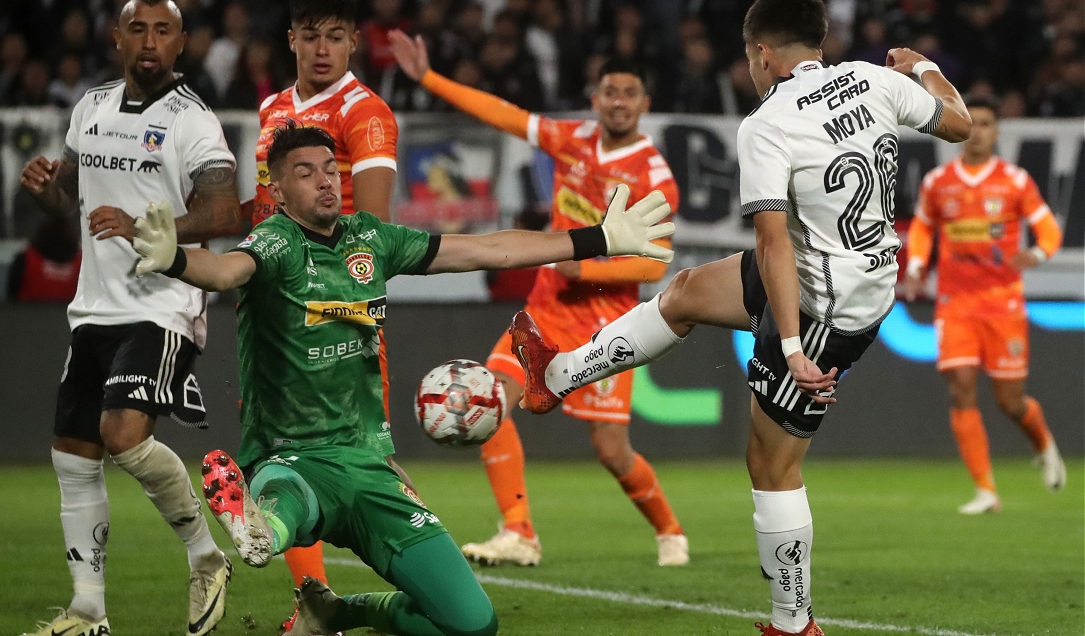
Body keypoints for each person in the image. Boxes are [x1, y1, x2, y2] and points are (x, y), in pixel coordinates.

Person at [505, 1, 972, 634]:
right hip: (850, 272)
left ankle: (794, 620)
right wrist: (923, 68)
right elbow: (959, 124)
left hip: (822, 307)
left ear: (762, 55)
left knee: (771, 466)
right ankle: (555, 377)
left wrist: (789, 345)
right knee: (687, 291)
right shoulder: (878, 79)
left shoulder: (767, 122)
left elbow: (774, 242)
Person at [127, 121, 675, 636]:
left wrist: (597, 238)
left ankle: (335, 611)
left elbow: (488, 248)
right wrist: (176, 259)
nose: (324, 180)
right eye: (305, 172)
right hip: (292, 456)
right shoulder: (277, 244)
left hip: (369, 465)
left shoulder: (371, 239)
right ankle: (258, 528)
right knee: (285, 506)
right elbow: (225, 271)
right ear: (277, 190)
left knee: (473, 623)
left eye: (329, 169)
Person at [389, 29, 690, 567]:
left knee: (611, 451)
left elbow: (655, 261)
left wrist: (591, 264)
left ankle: (669, 528)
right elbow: (504, 115)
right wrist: (430, 79)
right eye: (609, 91)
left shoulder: (655, 175)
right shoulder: (570, 138)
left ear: (645, 104)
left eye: (629, 93)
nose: (618, 102)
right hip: (546, 310)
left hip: (609, 323)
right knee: (490, 399)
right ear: (595, 98)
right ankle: (519, 531)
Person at [17, 1, 244, 634]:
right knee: (73, 454)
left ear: (182, 43)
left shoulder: (192, 121)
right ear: (117, 38)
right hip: (94, 308)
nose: (150, 41)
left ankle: (206, 557)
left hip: (162, 303)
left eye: (163, 30)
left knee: (121, 433)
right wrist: (47, 195)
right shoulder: (89, 107)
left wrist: (151, 225)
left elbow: (225, 214)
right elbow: (69, 194)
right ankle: (89, 610)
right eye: (137, 29)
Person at [241, 2, 408, 629]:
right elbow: (264, 208)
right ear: (290, 40)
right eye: (310, 36)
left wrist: (332, 304)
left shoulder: (364, 113)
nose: (321, 49)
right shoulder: (271, 110)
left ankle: (426, 566)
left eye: (335, 37)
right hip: (270, 310)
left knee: (366, 459)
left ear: (354, 44)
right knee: (284, 455)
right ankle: (313, 602)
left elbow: (370, 230)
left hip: (332, 314)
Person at [905, 97, 1066, 514]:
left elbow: (1048, 229)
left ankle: (1043, 443)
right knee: (960, 388)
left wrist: (1039, 255)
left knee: (1011, 402)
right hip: (955, 303)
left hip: (1003, 304)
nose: (977, 131)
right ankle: (986, 491)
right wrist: (919, 264)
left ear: (997, 131)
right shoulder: (939, 182)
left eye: (986, 123)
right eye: (971, 123)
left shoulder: (1014, 181)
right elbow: (922, 226)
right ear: (961, 129)